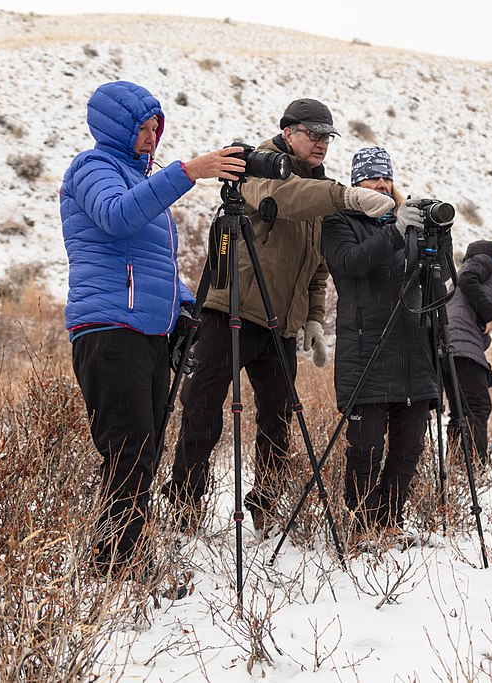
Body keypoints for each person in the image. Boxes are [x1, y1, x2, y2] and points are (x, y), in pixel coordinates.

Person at [164, 100, 395, 536]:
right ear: (289, 132)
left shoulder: (322, 186)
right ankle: (184, 504)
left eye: (328, 136)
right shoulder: (255, 164)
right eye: (313, 133)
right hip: (229, 309)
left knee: (277, 419)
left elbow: (317, 264)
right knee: (202, 410)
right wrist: (344, 197)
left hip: (280, 325)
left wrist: (312, 316)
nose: (322, 143)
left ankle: (265, 504)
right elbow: (284, 201)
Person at [61, 80, 246, 574]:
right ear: (115, 127)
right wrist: (188, 172)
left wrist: (185, 303)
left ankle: (123, 557)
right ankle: (116, 567)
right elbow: (117, 219)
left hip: (149, 331)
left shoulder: (145, 183)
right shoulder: (92, 168)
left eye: (154, 128)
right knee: (129, 447)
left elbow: (155, 261)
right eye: (140, 128)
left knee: (143, 451)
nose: (149, 137)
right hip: (108, 327)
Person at [321, 146, 440, 537]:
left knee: (409, 450)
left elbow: (435, 287)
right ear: (357, 183)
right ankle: (361, 522)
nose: (382, 184)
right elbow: (350, 263)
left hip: (413, 352)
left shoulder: (409, 225)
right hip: (365, 350)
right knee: (366, 449)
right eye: (372, 178)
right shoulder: (340, 222)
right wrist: (395, 232)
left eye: (386, 177)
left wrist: (436, 241)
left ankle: (389, 520)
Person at [443, 237, 492, 469]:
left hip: (451, 346)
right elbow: (467, 280)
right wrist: (491, 313)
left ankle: (456, 463)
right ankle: (475, 465)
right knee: (478, 406)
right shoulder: (481, 262)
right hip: (462, 347)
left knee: (460, 410)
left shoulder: (487, 276)